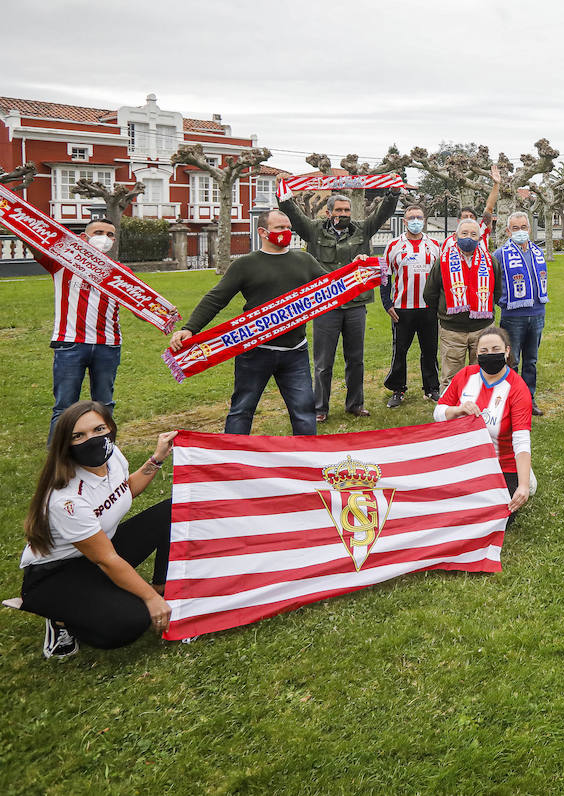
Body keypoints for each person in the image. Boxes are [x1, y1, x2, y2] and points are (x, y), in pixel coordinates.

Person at [19, 401, 177, 657]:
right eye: (78, 436)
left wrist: (157, 459)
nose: (92, 439)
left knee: (175, 511)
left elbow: (123, 492)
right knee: (132, 621)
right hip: (57, 574)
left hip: (100, 550)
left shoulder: (113, 455)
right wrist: (148, 599)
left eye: (98, 429)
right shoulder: (65, 498)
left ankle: (162, 588)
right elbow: (106, 559)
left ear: (110, 428)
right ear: (65, 445)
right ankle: (61, 619)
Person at [170, 209, 333, 435]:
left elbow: (334, 286)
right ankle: (234, 460)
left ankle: (306, 462)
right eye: (279, 228)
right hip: (254, 350)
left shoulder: (304, 260)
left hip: (295, 350)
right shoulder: (245, 264)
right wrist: (190, 328)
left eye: (288, 228)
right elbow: (216, 298)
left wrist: (360, 268)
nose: (286, 232)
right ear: (262, 232)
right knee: (242, 409)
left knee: (304, 410)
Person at [279, 188, 400, 422]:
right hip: (327, 306)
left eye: (347, 210)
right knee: (323, 362)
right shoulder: (314, 231)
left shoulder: (362, 229)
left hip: (356, 305)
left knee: (355, 359)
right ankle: (319, 408)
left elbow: (382, 214)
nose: (343, 214)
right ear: (328, 212)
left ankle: (355, 404)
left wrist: (392, 194)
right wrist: (283, 196)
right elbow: (294, 216)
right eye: (339, 210)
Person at [433, 326, 533, 516]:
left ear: (507, 351)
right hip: (464, 459)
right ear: (477, 353)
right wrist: (458, 409)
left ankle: (527, 477)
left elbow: (521, 441)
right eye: (484, 351)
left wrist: (523, 486)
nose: (490, 355)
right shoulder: (465, 375)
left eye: (496, 350)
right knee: (445, 504)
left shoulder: (518, 389)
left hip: (501, 465)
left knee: (490, 516)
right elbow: (438, 413)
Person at [42, 217, 121, 439]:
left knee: (105, 404)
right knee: (65, 406)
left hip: (108, 344)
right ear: (85, 236)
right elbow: (36, 245)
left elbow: (141, 310)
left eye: (109, 234)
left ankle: (105, 453)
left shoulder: (120, 273)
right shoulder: (62, 264)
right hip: (70, 342)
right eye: (98, 232)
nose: (104, 238)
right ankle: (57, 460)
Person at [381, 204, 443, 409]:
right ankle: (398, 389)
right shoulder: (393, 245)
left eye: (419, 217)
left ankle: (432, 388)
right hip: (402, 308)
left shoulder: (435, 245)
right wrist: (386, 302)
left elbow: (442, 277)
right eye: (411, 218)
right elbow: (385, 276)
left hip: (429, 308)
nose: (415, 221)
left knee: (430, 349)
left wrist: (441, 304)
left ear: (424, 220)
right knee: (400, 350)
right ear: (405, 221)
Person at [424, 217, 499, 385]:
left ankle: (478, 410)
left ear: (480, 238)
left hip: (482, 329)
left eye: (473, 234)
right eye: (464, 233)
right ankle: (450, 410)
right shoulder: (442, 262)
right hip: (452, 331)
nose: (468, 238)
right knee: (451, 377)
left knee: (482, 375)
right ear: (455, 236)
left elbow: (498, 291)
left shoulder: (490, 261)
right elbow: (430, 293)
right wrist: (445, 311)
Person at [492, 210, 549, 416]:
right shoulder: (500, 254)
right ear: (508, 231)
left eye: (523, 227)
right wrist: (502, 303)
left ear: (530, 228)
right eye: (515, 228)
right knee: (512, 361)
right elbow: (493, 286)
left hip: (537, 314)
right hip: (513, 316)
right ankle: (510, 401)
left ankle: (528, 399)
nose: (520, 231)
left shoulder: (538, 252)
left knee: (531, 361)